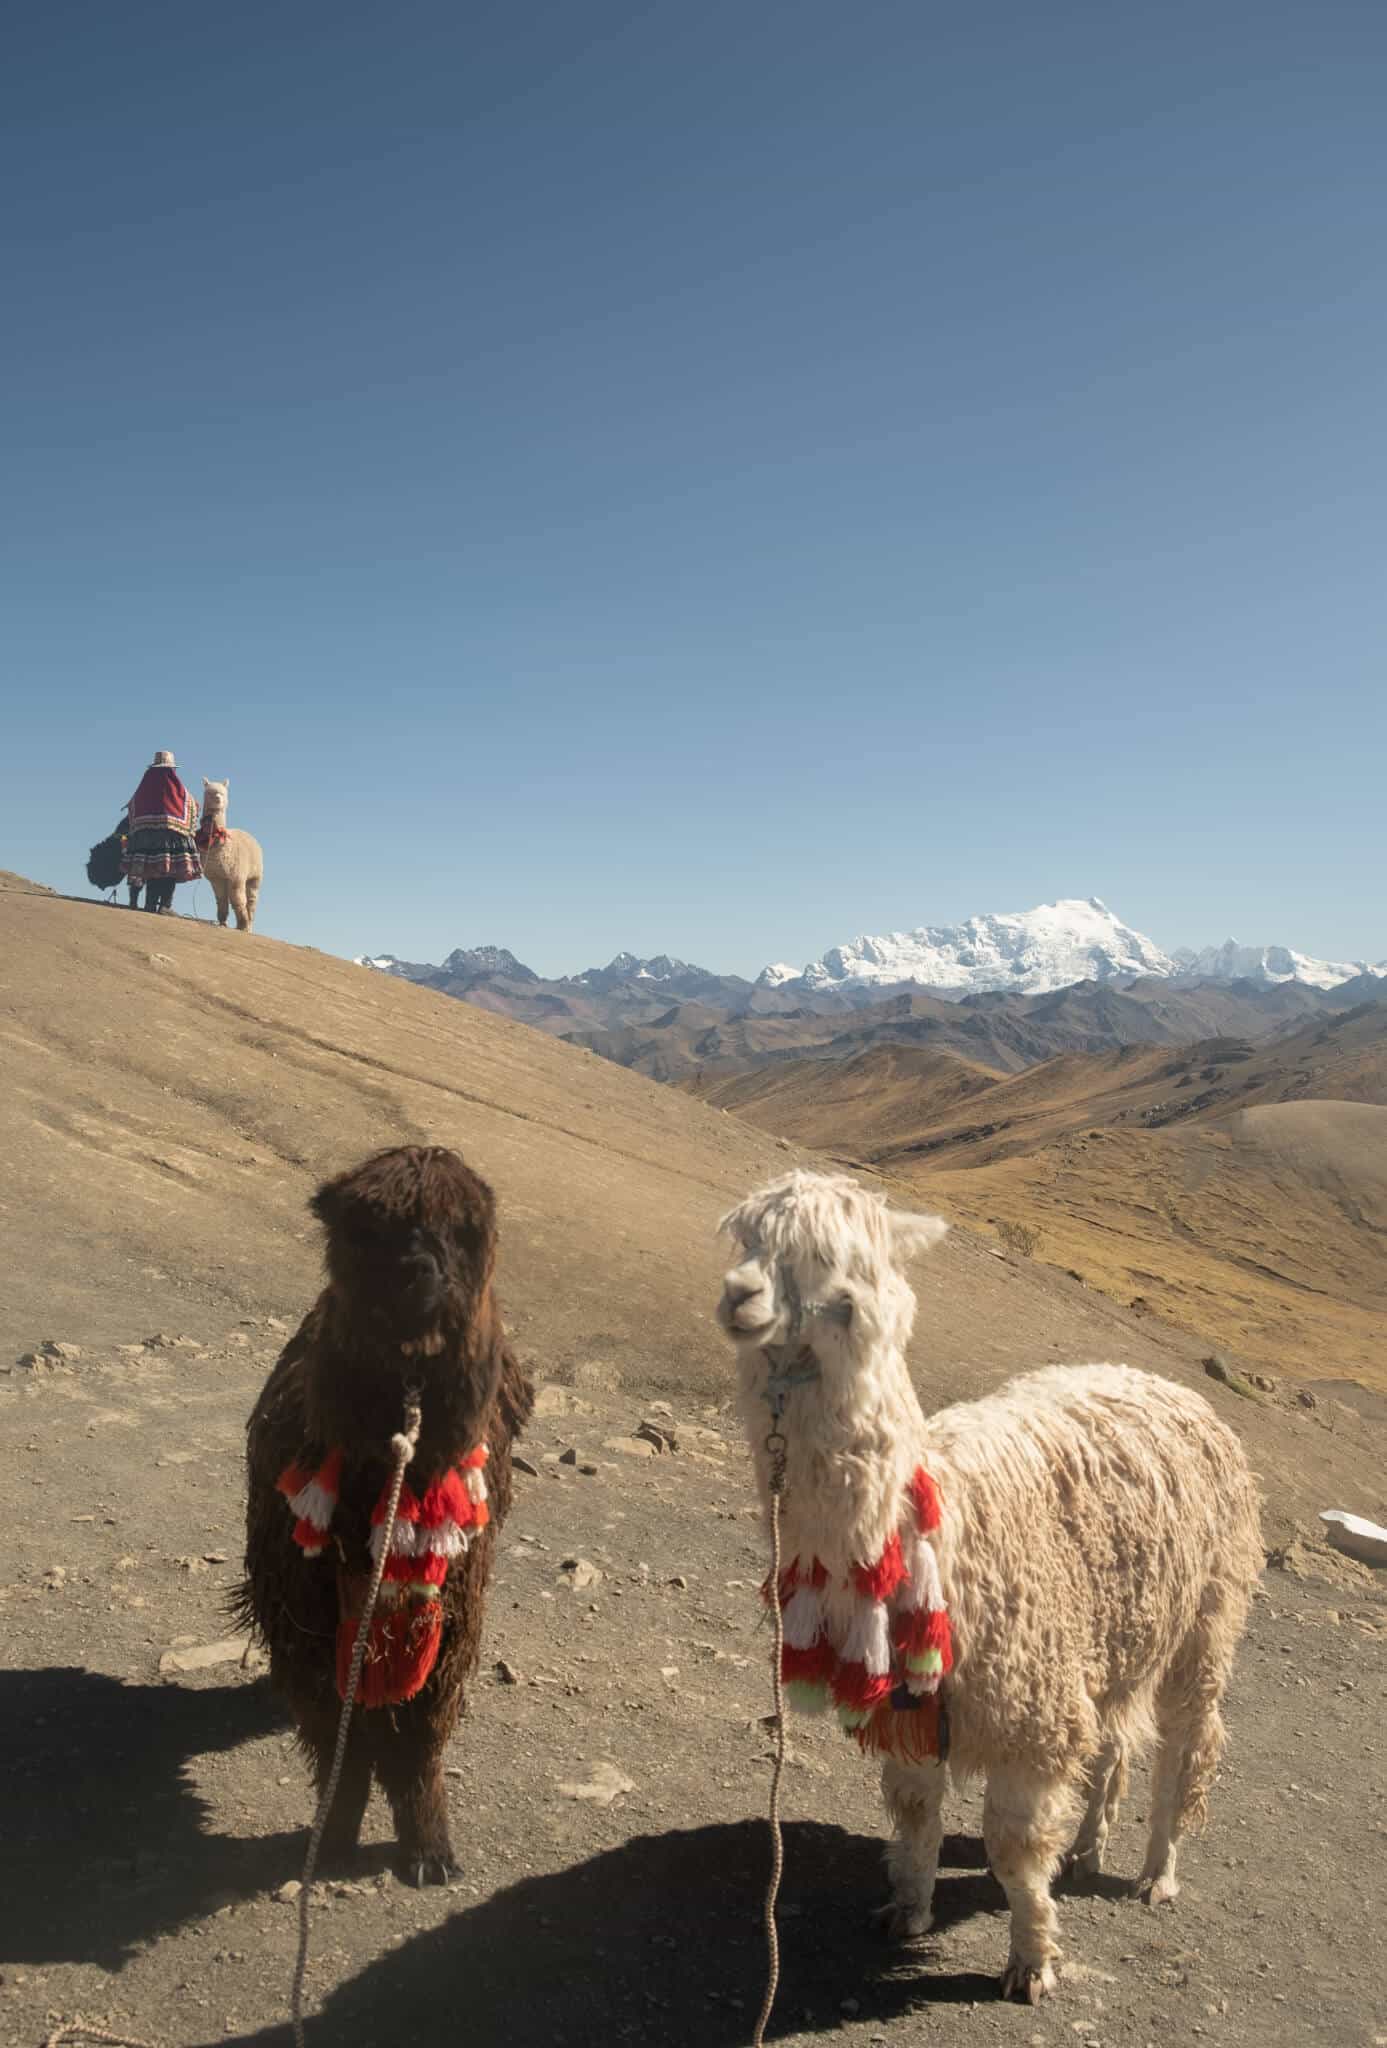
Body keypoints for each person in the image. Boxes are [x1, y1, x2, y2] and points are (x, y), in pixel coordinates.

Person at [123, 750, 201, 913]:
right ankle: (165, 905)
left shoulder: (146, 783)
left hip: (146, 837)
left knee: (152, 871)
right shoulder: (173, 783)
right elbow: (191, 805)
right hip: (170, 836)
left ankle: (150, 903)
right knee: (170, 871)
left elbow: (133, 805)